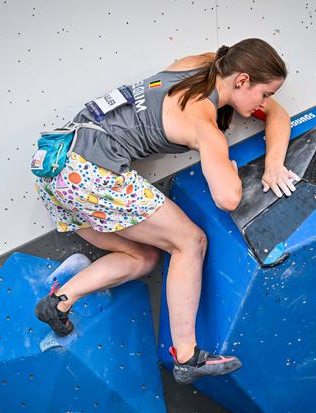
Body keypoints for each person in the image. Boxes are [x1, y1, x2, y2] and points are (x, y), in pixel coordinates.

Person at [34, 38, 299, 385]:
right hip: (92, 172)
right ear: (242, 80)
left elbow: (277, 115)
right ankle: (187, 355)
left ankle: (59, 302)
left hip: (56, 167)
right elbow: (228, 198)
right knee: (190, 241)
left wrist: (274, 164)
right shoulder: (203, 123)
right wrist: (234, 174)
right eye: (265, 93)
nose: (267, 102)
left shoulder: (202, 63)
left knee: (143, 258)